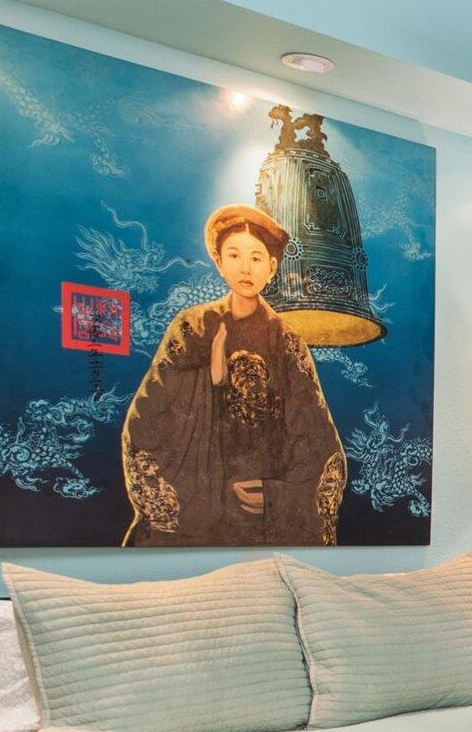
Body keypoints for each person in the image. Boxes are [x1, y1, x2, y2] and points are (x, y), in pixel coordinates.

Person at [119, 203, 344, 545]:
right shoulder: (192, 327)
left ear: (272, 267)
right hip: (200, 501)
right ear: (219, 262)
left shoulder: (286, 341)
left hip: (261, 508)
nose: (245, 268)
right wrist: (207, 381)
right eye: (234, 255)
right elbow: (146, 421)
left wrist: (278, 497)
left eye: (256, 258)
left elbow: (315, 437)